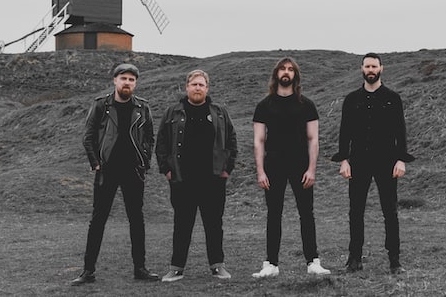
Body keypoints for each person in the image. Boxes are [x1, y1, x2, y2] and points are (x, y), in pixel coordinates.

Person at [72, 63, 158, 285]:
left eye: (131, 79)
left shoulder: (143, 107)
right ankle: (88, 271)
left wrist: (145, 162)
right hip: (106, 170)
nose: (127, 83)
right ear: (115, 80)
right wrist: (95, 163)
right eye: (123, 78)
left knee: (136, 220)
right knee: (98, 220)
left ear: (135, 83)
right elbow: (88, 136)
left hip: (133, 171)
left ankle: (140, 269)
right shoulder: (101, 105)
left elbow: (150, 137)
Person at [332, 53, 415, 274]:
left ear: (381, 68)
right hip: (358, 161)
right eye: (367, 66)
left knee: (390, 211)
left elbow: (400, 130)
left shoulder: (392, 98)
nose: (371, 70)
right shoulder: (351, 99)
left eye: (374, 66)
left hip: (387, 161)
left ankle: (395, 261)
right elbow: (344, 132)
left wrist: (401, 159)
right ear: (362, 69)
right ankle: (354, 259)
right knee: (355, 211)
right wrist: (344, 160)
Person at [251, 57, 330, 278]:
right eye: (282, 69)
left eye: (290, 69)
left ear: (295, 75)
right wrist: (260, 171)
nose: (286, 72)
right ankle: (271, 264)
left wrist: (311, 169)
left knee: (306, 213)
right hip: (273, 165)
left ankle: (313, 262)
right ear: (276, 74)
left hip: (301, 165)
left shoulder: (307, 105)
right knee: (273, 214)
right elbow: (258, 140)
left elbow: (313, 139)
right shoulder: (264, 105)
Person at [155, 69, 237, 282]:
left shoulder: (219, 112)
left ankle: (217, 266)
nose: (197, 88)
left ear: (207, 88)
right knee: (182, 224)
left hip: (213, 179)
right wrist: (166, 169)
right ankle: (176, 268)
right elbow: (161, 142)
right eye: (194, 84)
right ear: (187, 87)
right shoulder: (173, 112)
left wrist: (227, 169)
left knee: (214, 224)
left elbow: (231, 140)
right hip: (183, 179)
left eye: (201, 84)